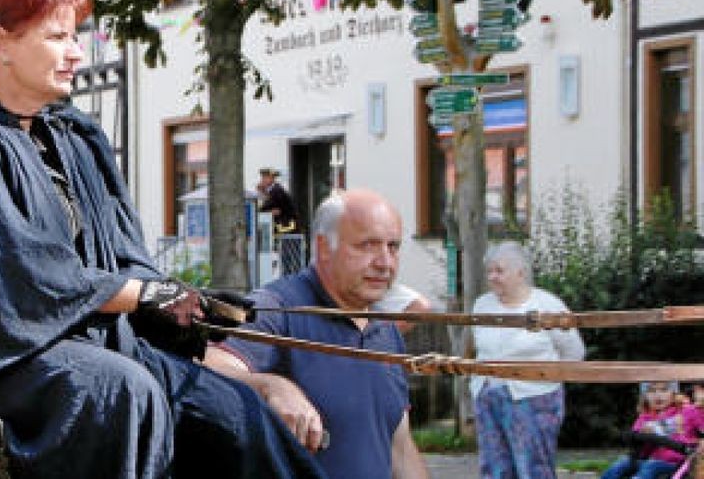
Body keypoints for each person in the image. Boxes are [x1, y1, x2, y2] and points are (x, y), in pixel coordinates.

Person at [0, 0, 323, 479]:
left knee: (236, 416)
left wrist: (183, 301)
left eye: (75, 37)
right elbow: (20, 279)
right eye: (56, 37)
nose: (76, 52)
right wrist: (144, 294)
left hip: (98, 341)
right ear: (2, 43)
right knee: (121, 391)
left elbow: (124, 259)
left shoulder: (75, 140)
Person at [204, 188, 430, 479]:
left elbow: (399, 447)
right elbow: (207, 367)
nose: (385, 262)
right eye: (367, 246)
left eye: (393, 247)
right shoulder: (278, 309)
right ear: (324, 247)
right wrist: (271, 386)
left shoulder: (385, 329)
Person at [470, 241, 586, 479]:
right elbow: (477, 349)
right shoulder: (482, 305)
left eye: (499, 271)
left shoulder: (546, 304)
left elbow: (574, 352)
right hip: (488, 398)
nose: (492, 277)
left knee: (534, 469)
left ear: (520, 272)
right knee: (494, 469)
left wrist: (546, 380)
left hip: (535, 399)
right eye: (489, 271)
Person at [600, 381, 704, 479]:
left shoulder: (687, 411)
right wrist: (644, 438)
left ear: (674, 393)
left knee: (650, 466)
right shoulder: (644, 418)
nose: (658, 395)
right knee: (622, 464)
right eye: (651, 391)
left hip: (679, 462)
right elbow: (639, 449)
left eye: (664, 390)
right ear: (645, 396)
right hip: (650, 459)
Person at [256, 167, 301, 234]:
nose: (262, 180)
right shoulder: (273, 190)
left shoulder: (277, 190)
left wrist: (263, 193)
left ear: (272, 179)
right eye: (262, 178)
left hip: (286, 226)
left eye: (265, 178)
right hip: (284, 226)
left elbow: (265, 207)